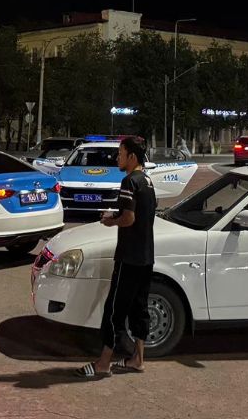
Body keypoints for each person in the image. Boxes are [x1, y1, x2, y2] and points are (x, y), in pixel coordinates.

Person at [75, 135, 156, 378]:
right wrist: (117, 214)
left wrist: (111, 221)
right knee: (139, 307)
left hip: (129, 258)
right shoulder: (147, 181)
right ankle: (137, 359)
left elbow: (129, 218)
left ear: (132, 156)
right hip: (146, 256)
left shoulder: (129, 181)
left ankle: (103, 363)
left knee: (114, 310)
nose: (117, 158)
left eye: (120, 154)